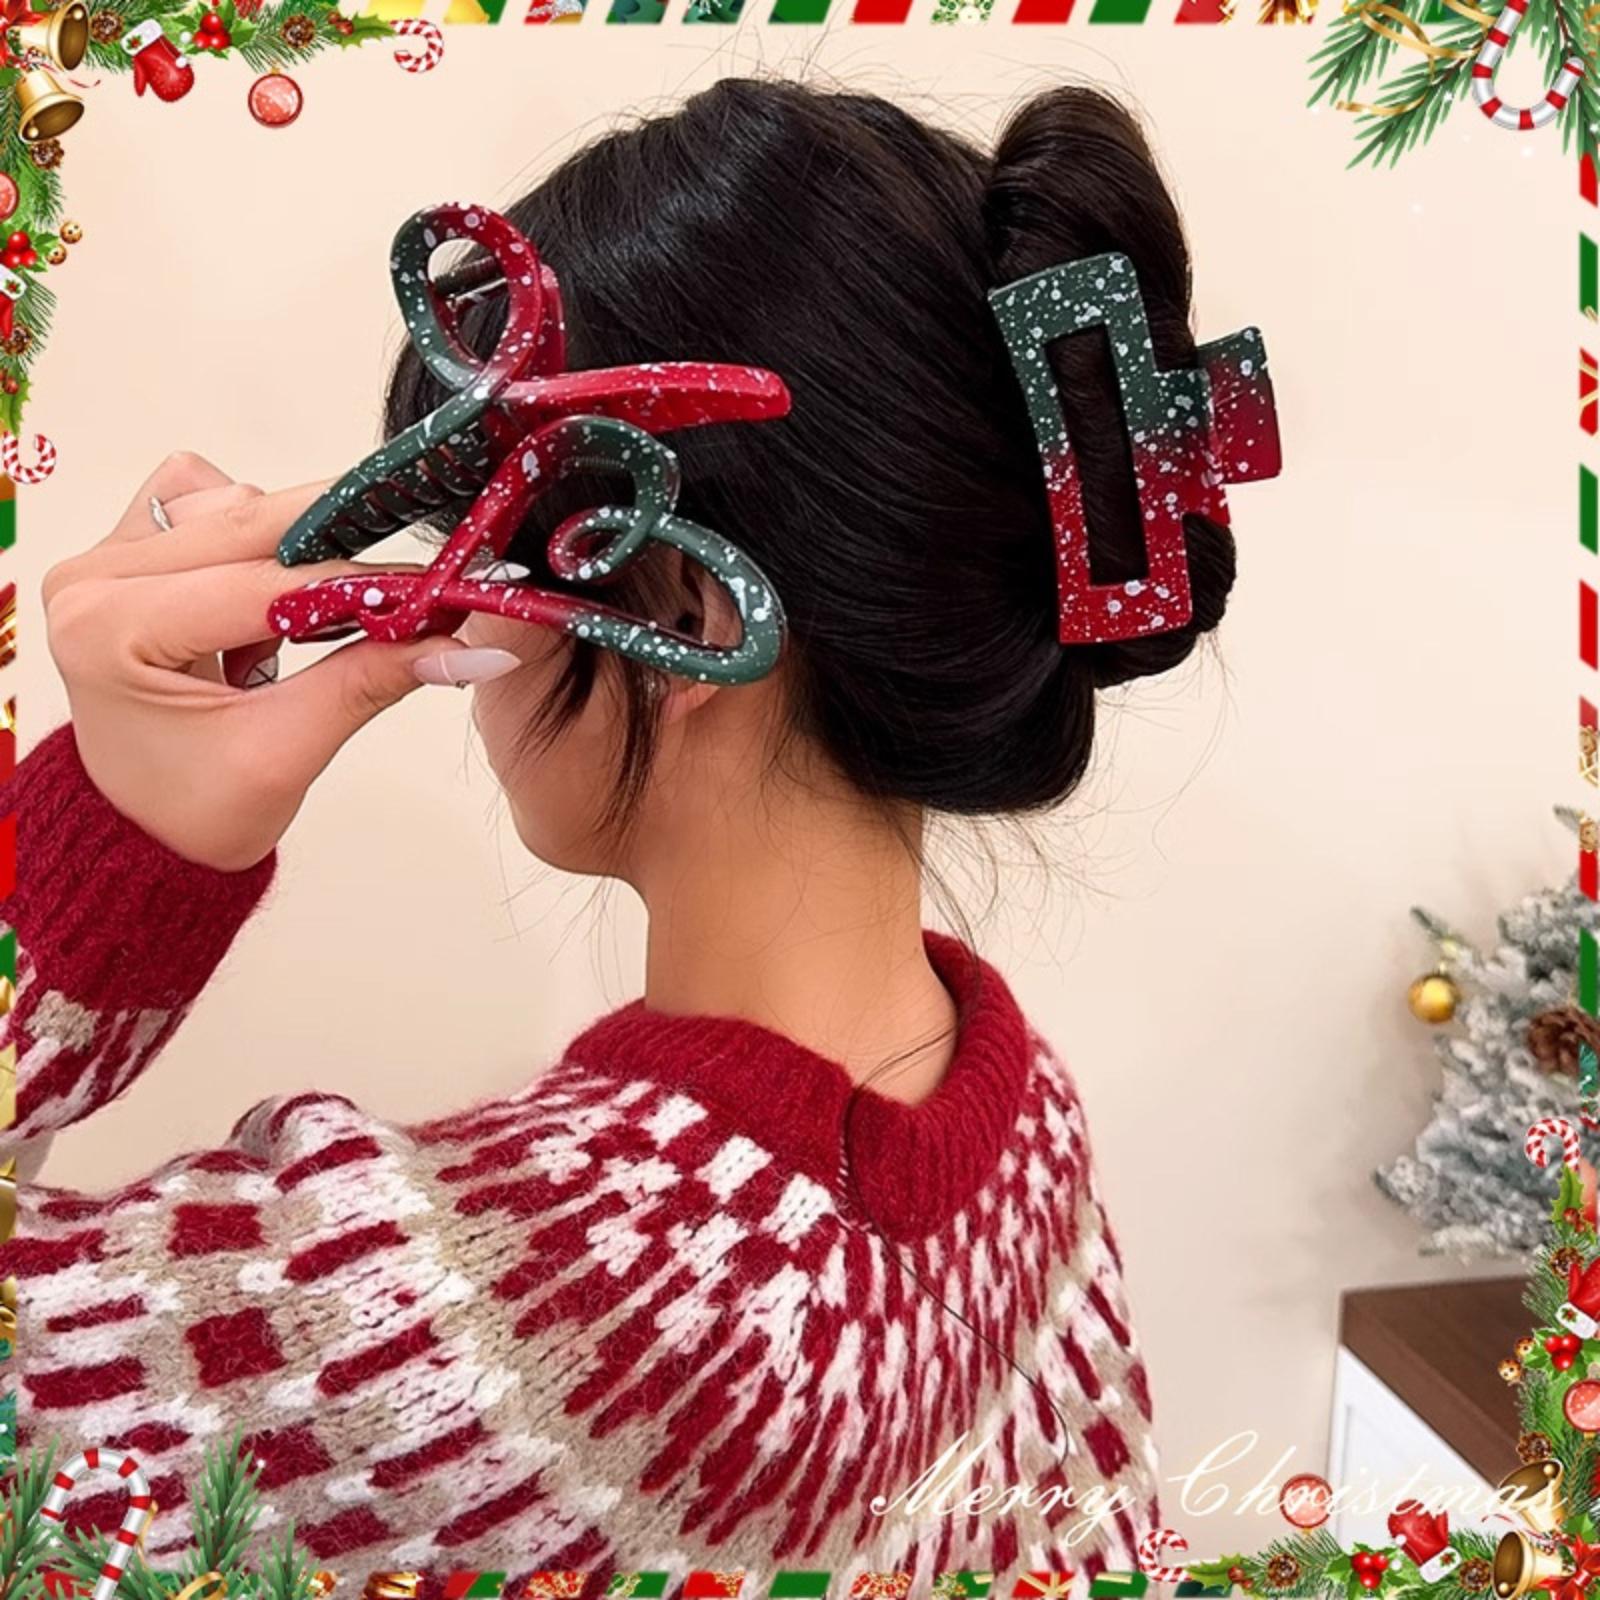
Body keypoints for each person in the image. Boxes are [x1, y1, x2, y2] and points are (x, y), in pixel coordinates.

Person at [0, 77, 1239, 1578]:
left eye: (479, 549)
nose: (453, 623)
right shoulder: (1026, 1143)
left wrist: (97, 855)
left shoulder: (467, 1318)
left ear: (690, 615)